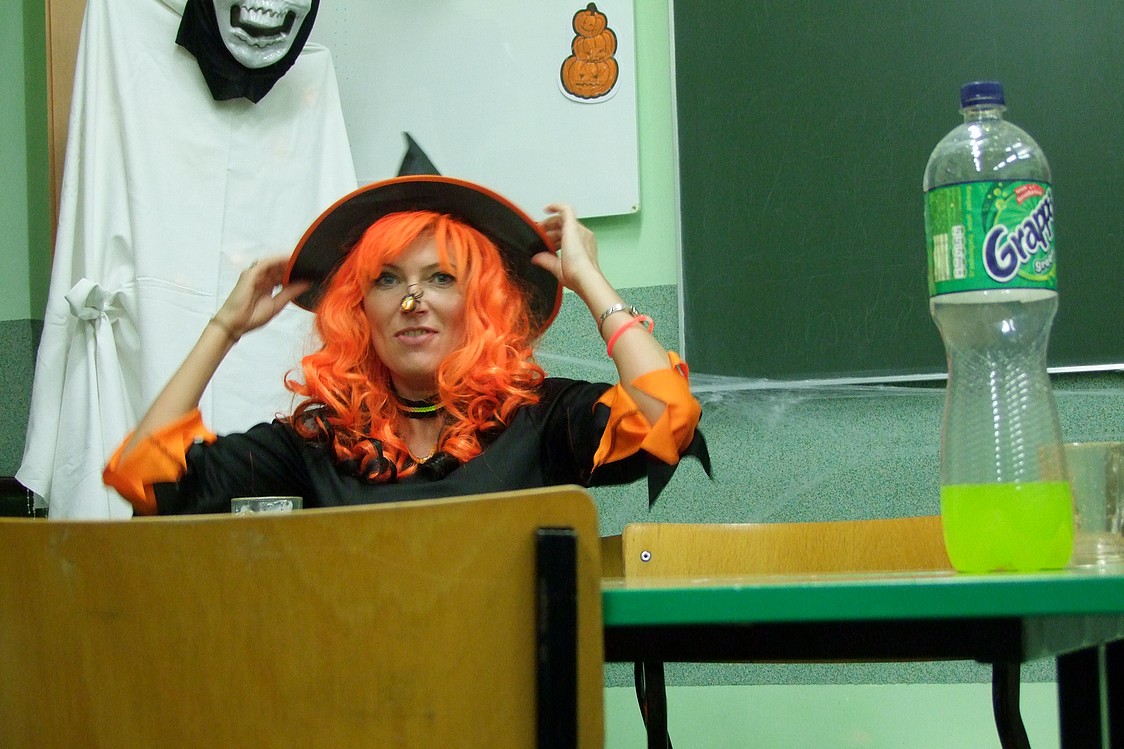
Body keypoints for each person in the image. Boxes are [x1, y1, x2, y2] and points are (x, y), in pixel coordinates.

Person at [103, 175, 707, 514]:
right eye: (387, 280)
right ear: (359, 310)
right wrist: (225, 329)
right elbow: (146, 477)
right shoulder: (318, 443)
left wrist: (589, 281)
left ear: (479, 303)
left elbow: (667, 415)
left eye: (441, 278)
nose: (412, 302)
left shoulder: (540, 420)